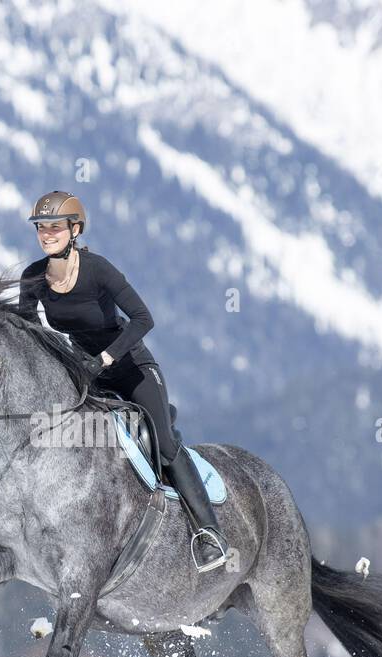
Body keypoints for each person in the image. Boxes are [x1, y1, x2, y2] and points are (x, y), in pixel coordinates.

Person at [17, 190, 230, 572]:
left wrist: (105, 358)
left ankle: (208, 534)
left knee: (164, 445)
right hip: (84, 373)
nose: (46, 234)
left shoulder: (98, 270)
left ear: (74, 229)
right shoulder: (33, 277)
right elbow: (28, 331)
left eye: (54, 226)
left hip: (131, 367)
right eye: (40, 228)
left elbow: (143, 319)